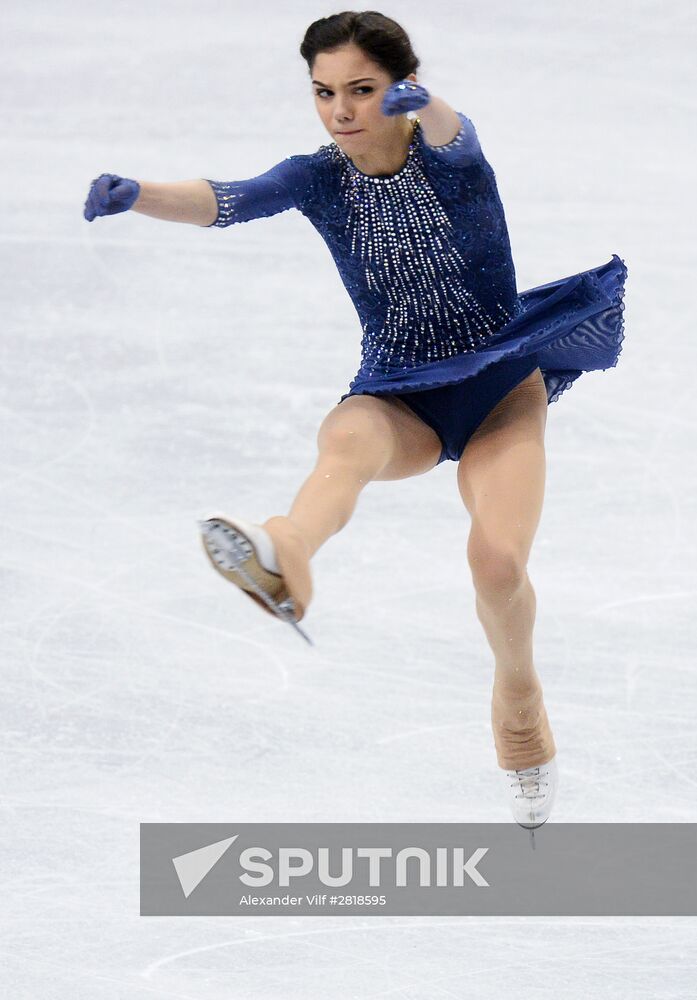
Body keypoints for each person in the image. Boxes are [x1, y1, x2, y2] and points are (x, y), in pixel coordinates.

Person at [83, 11, 627, 830]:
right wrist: (138, 196)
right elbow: (225, 200)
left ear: (399, 86)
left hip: (496, 387)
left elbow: (451, 130)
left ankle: (518, 698)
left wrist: (427, 100)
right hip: (399, 387)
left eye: (361, 91)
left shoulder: (450, 157)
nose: (339, 110)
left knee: (496, 564)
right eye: (324, 93)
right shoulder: (316, 178)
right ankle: (285, 555)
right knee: (343, 441)